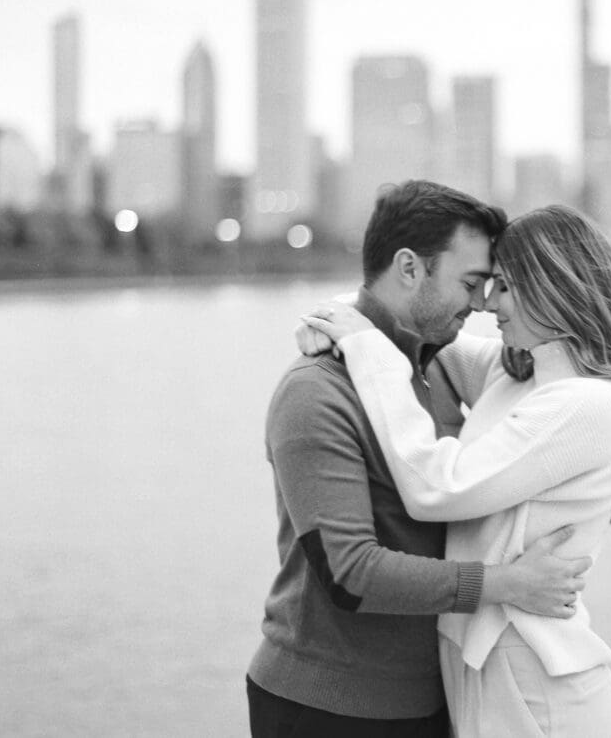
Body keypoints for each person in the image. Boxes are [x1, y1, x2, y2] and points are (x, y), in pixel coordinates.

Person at [301, 204, 611, 738]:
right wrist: (337, 316)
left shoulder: (590, 404)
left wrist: (359, 339)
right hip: (484, 668)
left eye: (502, 286)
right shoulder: (521, 377)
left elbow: (436, 488)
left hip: (537, 685)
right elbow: (410, 322)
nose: (485, 303)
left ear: (550, 287)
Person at [248, 181, 593, 738]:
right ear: (410, 268)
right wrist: (507, 583)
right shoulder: (315, 391)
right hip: (324, 709)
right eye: (471, 282)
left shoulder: (437, 368)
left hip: (431, 701)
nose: (482, 303)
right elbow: (350, 572)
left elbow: (552, 375)